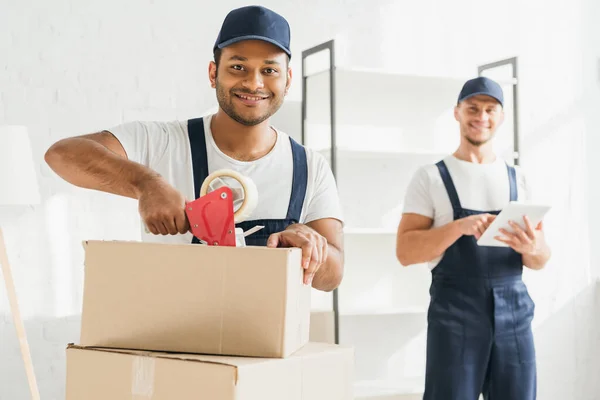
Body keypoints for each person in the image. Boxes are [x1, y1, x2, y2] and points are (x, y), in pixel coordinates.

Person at [44, 5, 344, 292]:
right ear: (214, 73)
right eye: (238, 67)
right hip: (170, 338)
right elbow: (62, 155)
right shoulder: (163, 141)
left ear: (287, 79)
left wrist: (313, 248)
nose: (254, 83)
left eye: (269, 70)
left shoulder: (309, 166)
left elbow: (333, 275)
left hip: (264, 340)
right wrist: (146, 184)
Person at [396, 77, 551, 399]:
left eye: (490, 109)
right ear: (457, 112)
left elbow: (540, 259)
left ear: (501, 116)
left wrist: (532, 248)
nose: (481, 116)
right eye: (473, 108)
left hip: (515, 311)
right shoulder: (431, 177)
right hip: (455, 312)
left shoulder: (518, 178)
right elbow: (405, 252)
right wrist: (458, 227)